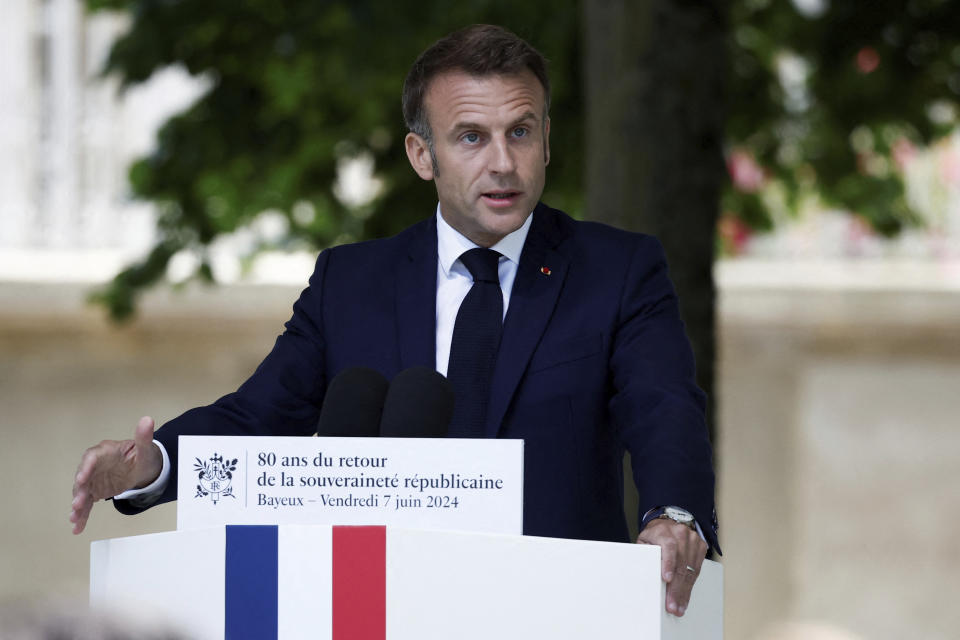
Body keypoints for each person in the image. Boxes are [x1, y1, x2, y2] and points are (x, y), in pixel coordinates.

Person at [71, 24, 719, 617]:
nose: (502, 162)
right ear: (420, 154)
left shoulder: (618, 270)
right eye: (471, 137)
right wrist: (149, 464)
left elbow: (663, 406)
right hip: (381, 610)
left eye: (520, 132)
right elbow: (258, 417)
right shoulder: (350, 283)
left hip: (556, 610)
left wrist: (673, 513)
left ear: (547, 140)